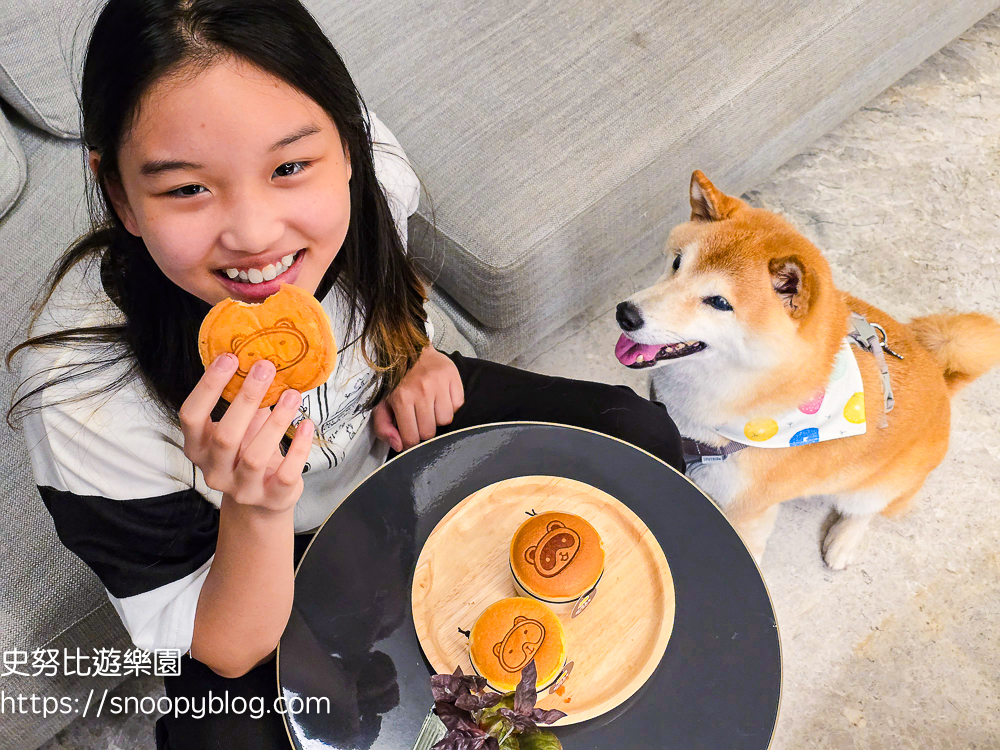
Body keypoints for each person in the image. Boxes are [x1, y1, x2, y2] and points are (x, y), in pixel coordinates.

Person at [7, 0, 684, 747]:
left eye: (290, 167)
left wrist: (411, 350)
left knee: (635, 432)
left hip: (391, 427)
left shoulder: (373, 181)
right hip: (249, 553)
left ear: (350, 144)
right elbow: (223, 645)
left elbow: (395, 273)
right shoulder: (84, 390)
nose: (257, 236)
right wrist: (256, 506)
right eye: (187, 188)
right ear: (119, 196)